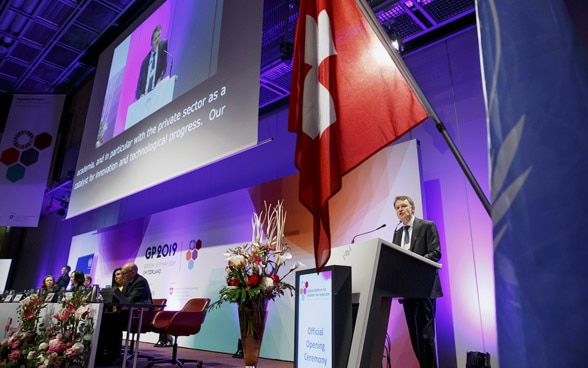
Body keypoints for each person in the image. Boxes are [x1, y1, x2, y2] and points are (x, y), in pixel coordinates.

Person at [393, 195, 443, 368]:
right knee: (415, 338)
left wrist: (413, 263)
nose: (400, 209)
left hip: (425, 288)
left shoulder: (427, 226)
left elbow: (435, 253)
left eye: (404, 206)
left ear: (412, 208)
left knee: (426, 338)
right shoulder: (397, 232)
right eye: (397, 207)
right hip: (408, 292)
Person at [135, 24, 168, 99]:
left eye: (159, 36)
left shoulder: (164, 48)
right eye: (155, 39)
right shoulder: (145, 62)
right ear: (151, 42)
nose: (157, 40)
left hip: (157, 95)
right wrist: (140, 95)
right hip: (145, 100)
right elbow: (138, 88)